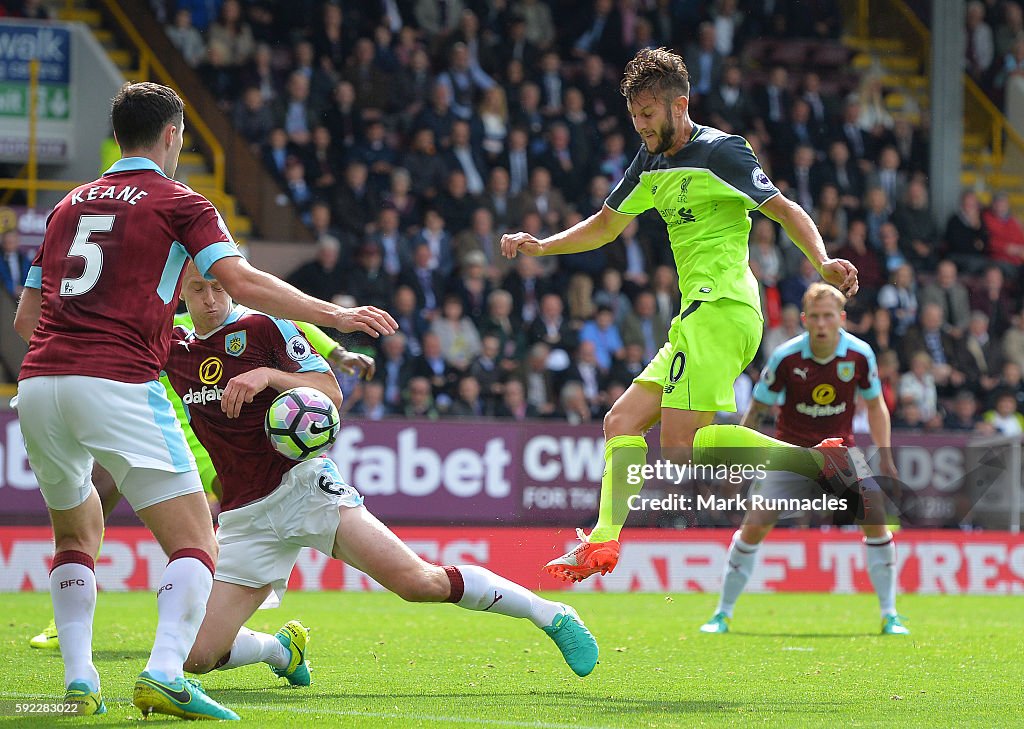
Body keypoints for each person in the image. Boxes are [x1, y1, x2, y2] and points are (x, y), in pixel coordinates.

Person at [13, 82, 396, 720]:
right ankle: (164, 674)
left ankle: (80, 684)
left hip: (39, 383)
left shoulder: (66, 207)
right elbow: (241, 281)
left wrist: (77, 347)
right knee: (197, 542)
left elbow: (29, 316)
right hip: (117, 379)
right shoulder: (180, 202)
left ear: (117, 136)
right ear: (172, 135)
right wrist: (338, 315)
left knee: (75, 534)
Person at [499, 48, 860, 583]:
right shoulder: (649, 163)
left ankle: (817, 463)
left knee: (683, 446)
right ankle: (601, 541)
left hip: (725, 306)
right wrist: (541, 247)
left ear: (679, 105)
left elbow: (783, 207)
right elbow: (605, 224)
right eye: (634, 115)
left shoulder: (722, 152)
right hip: (695, 317)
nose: (640, 125)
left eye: (648, 113)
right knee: (620, 422)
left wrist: (822, 260)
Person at [163, 264, 598, 686]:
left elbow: (329, 390)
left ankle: (550, 614)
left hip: (303, 488)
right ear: (181, 289)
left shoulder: (263, 327)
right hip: (244, 514)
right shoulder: (171, 345)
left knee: (417, 582)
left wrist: (270, 376)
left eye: (219, 286)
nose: (211, 298)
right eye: (199, 288)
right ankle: (282, 651)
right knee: (197, 657)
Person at [698, 284, 908, 636]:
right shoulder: (786, 357)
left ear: (841, 318)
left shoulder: (859, 355)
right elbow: (757, 410)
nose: (823, 324)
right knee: (754, 527)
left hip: (839, 453)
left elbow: (875, 405)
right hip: (789, 454)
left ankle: (890, 614)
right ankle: (722, 613)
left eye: (830, 316)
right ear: (805, 320)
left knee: (876, 523)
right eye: (816, 317)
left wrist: (884, 454)